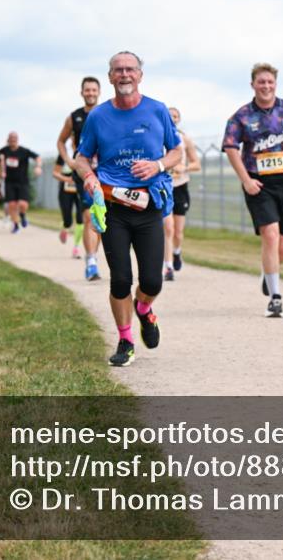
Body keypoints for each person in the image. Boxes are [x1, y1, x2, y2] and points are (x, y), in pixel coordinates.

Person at [75, 50, 182, 367]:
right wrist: (90, 177)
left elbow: (175, 150)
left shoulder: (157, 110)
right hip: (113, 206)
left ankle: (145, 309)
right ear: (110, 77)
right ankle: (125, 340)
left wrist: (158, 164)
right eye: (118, 70)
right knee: (120, 279)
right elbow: (82, 157)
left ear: (140, 75)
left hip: (148, 205)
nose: (124, 75)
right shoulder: (98, 117)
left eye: (130, 69)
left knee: (152, 282)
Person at [223, 62, 283, 318]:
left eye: (270, 82)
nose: (265, 86)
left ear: (275, 84)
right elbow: (231, 147)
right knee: (271, 234)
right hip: (259, 183)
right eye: (261, 82)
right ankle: (275, 297)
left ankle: (269, 273)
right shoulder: (242, 116)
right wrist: (245, 179)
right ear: (253, 84)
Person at [56, 76, 103, 280]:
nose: (90, 93)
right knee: (88, 216)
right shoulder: (74, 117)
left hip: (107, 172)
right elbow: (61, 141)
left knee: (101, 218)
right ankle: (91, 261)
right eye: (87, 90)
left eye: (94, 90)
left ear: (99, 92)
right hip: (83, 173)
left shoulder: (108, 113)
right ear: (82, 92)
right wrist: (70, 160)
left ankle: (93, 255)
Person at [162, 107, 200, 280]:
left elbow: (196, 164)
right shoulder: (157, 137)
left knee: (178, 231)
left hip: (181, 187)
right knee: (167, 228)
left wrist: (184, 168)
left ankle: (177, 252)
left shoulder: (184, 139)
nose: (173, 118)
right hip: (163, 187)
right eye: (170, 116)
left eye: (175, 116)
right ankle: (168, 267)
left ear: (179, 119)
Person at [0, 132, 41, 233]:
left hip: (22, 182)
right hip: (9, 182)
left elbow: (38, 157)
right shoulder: (4, 151)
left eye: (15, 138)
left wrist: (38, 166)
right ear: (8, 139)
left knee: (23, 204)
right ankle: (16, 225)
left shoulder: (24, 151)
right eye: (11, 138)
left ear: (17, 139)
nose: (13, 140)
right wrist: (1, 171)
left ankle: (22, 215)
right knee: (12, 205)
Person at [53, 154, 84, 257]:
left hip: (81, 189)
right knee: (68, 221)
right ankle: (65, 227)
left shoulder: (86, 151)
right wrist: (67, 179)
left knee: (81, 219)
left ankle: (76, 248)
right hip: (65, 190)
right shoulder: (64, 154)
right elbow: (55, 173)